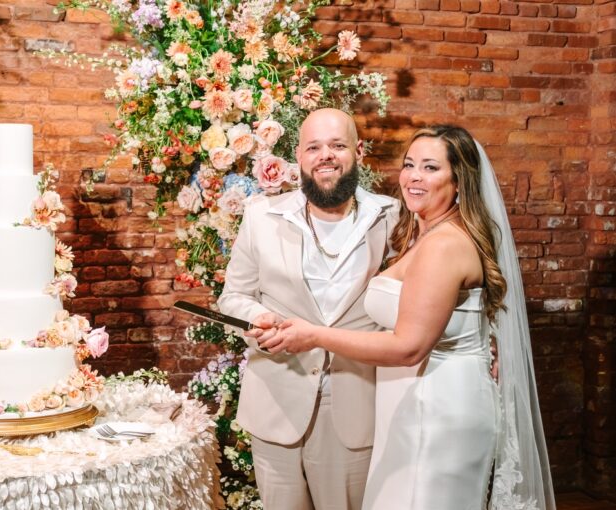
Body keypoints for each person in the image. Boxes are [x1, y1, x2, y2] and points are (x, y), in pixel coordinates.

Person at [259, 125, 555, 510]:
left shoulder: (444, 246)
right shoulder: (420, 232)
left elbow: (409, 346)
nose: (414, 177)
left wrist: (315, 336)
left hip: (435, 407)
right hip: (417, 399)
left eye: (431, 168)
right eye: (410, 164)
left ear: (460, 180)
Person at [217, 108, 399, 510]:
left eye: (337, 145)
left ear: (359, 151)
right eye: (314, 147)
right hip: (275, 401)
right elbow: (233, 296)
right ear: (298, 156)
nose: (325, 155)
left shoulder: (391, 217)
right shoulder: (261, 216)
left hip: (356, 405)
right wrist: (257, 320)